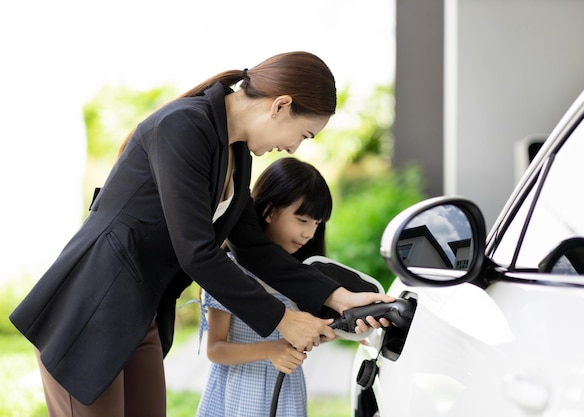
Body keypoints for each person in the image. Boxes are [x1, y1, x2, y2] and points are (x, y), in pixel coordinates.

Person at [9, 51, 393, 417]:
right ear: (280, 105)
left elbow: (254, 248)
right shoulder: (183, 127)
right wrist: (283, 319)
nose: (292, 147)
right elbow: (196, 251)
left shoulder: (235, 151)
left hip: (139, 316)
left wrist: (338, 297)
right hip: (90, 310)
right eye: (304, 134)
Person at [196, 157, 331, 417]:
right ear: (269, 211)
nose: (309, 234)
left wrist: (324, 332)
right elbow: (215, 349)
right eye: (302, 220)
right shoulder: (230, 271)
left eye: (317, 224)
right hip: (241, 390)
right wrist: (270, 350)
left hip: (286, 389)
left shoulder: (304, 273)